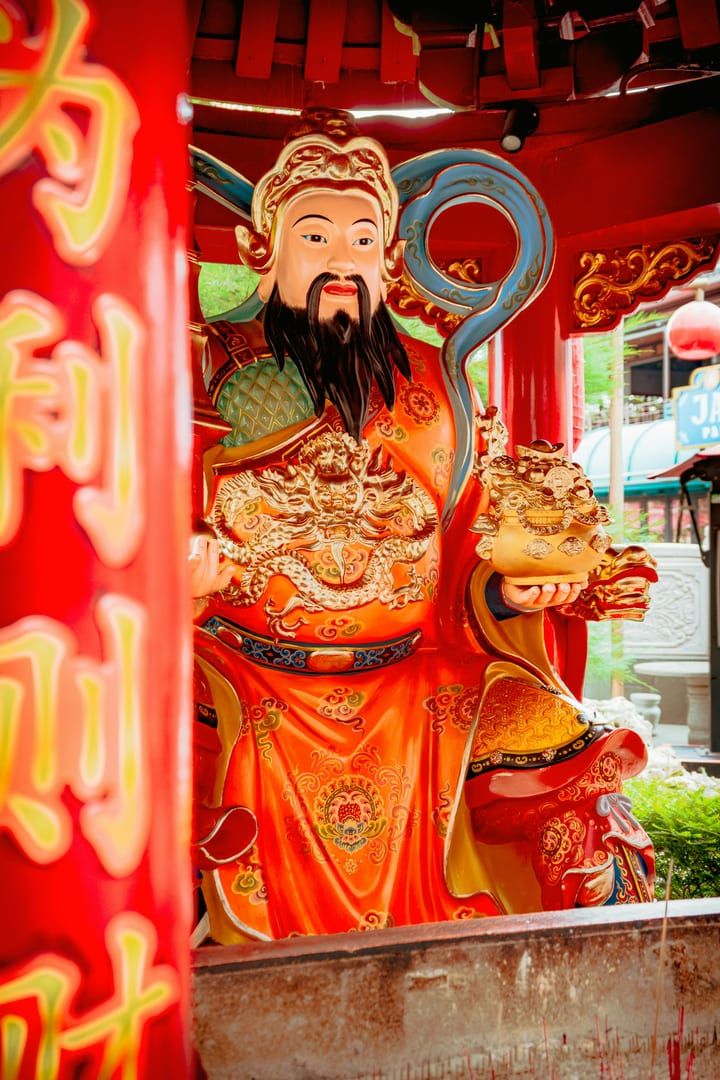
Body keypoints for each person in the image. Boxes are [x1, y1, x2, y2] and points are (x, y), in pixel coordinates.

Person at [190, 109, 654, 943]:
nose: (343, 261)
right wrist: (174, 567)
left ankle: (592, 986)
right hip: (235, 677)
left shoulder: (433, 392)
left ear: (391, 260)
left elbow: (469, 551)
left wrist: (511, 591)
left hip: (418, 682)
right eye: (317, 235)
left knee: (575, 775)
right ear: (264, 249)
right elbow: (138, 507)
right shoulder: (203, 364)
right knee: (139, 755)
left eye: (363, 241)